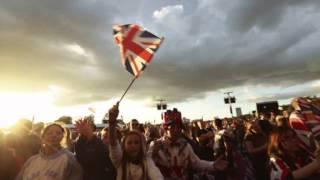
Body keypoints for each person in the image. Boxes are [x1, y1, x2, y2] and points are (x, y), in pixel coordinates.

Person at [149, 108, 228, 180]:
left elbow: (196, 163)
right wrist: (152, 155)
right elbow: (146, 165)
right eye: (172, 127)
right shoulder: (156, 145)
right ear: (165, 129)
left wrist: (213, 165)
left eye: (179, 127)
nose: (176, 130)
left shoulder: (185, 145)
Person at [108, 103, 163, 180]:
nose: (133, 145)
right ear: (124, 146)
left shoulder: (147, 161)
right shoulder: (120, 161)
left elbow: (157, 176)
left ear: (141, 145)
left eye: (136, 142)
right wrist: (111, 122)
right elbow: (113, 144)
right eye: (129, 143)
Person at [15, 123, 82, 180]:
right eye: (49, 133)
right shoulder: (32, 160)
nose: (54, 135)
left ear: (62, 136)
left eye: (58, 133)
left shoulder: (69, 159)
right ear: (43, 137)